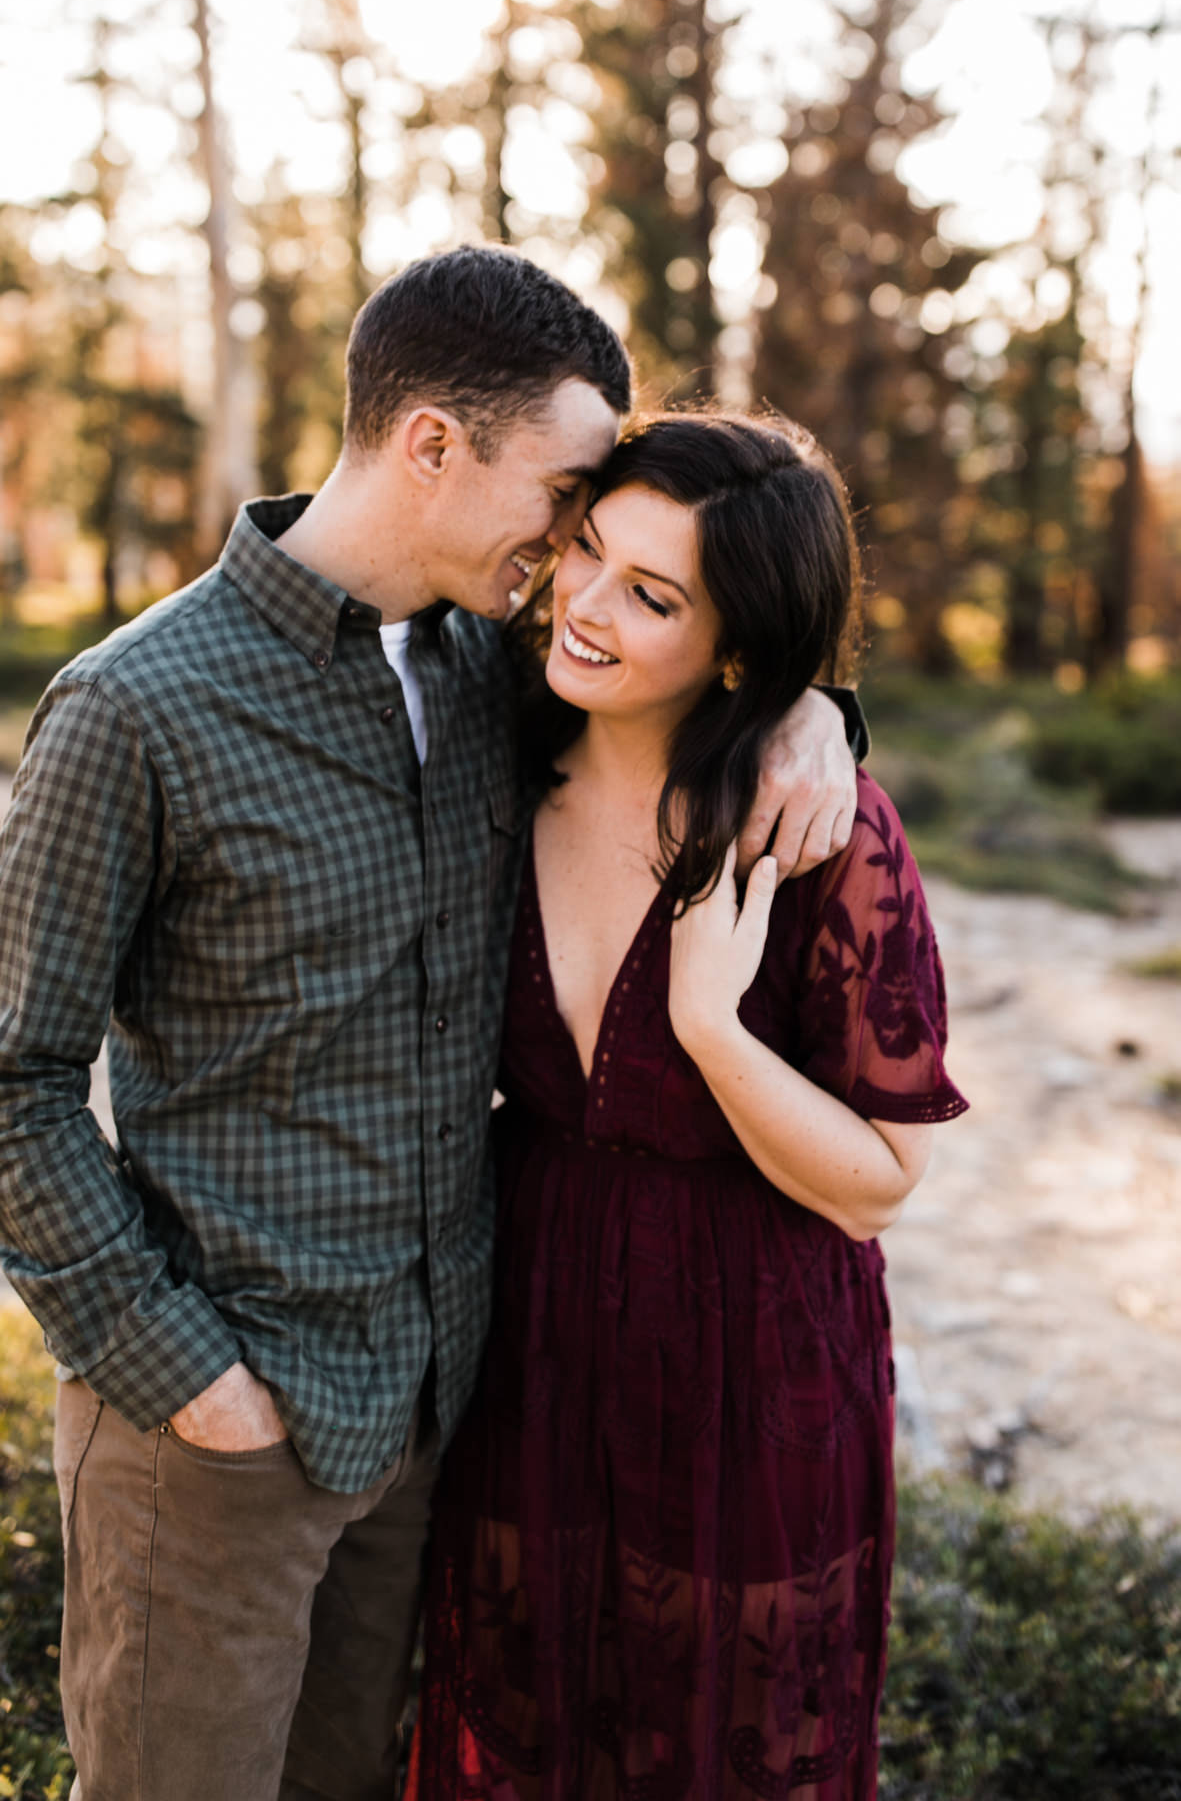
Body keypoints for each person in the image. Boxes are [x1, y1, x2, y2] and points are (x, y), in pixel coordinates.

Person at [0, 249, 861, 1801]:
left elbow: (692, 642)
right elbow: (4, 1094)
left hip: (427, 1414)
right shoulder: (135, 709)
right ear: (432, 444)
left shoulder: (488, 665)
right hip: (211, 1429)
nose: (571, 547)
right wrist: (190, 1382)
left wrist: (813, 708)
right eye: (563, 492)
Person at [408, 411, 968, 1801]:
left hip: (753, 1362)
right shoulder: (491, 752)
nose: (584, 606)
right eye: (586, 550)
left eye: (649, 596)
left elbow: (875, 1182)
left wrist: (710, 1031)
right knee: (520, 1721)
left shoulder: (821, 838)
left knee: (723, 1741)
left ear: (736, 649)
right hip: (529, 1333)